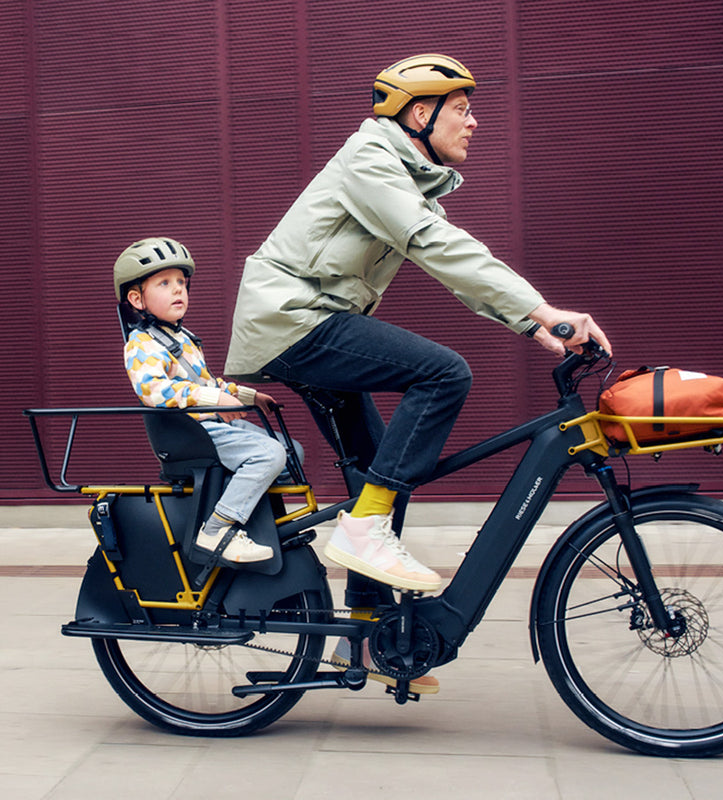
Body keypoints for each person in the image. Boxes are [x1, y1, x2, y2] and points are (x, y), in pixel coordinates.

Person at [223, 54, 612, 596]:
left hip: (307, 321)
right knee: (444, 375)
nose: (473, 122)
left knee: (385, 472)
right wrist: (544, 308)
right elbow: (436, 245)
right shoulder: (370, 159)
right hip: (291, 318)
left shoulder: (403, 178)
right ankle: (363, 531)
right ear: (421, 114)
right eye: (461, 109)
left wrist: (530, 325)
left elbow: (456, 268)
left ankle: (369, 635)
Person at [115, 236, 292, 565]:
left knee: (291, 451)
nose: (178, 289)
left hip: (206, 427)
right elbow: (153, 390)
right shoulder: (141, 344)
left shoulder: (182, 339)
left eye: (181, 282)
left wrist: (250, 396)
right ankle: (218, 529)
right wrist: (212, 398)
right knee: (269, 453)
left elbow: (209, 383)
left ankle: (254, 519)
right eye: (165, 283)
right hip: (187, 435)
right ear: (137, 299)